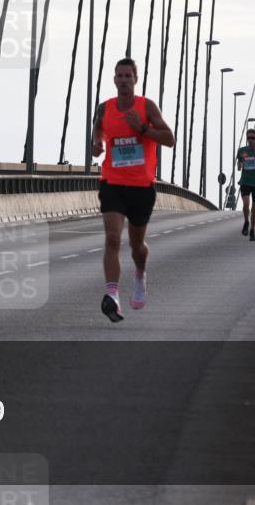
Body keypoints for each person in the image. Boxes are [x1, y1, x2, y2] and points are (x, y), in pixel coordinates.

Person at [92, 58, 175, 322]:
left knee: (136, 245)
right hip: (112, 182)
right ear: (114, 80)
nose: (124, 80)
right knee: (112, 238)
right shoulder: (105, 108)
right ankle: (113, 296)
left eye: (128, 76)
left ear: (135, 80)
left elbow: (169, 139)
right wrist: (96, 144)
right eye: (120, 76)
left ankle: (139, 275)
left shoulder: (146, 106)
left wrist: (143, 128)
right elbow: (97, 130)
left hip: (141, 186)